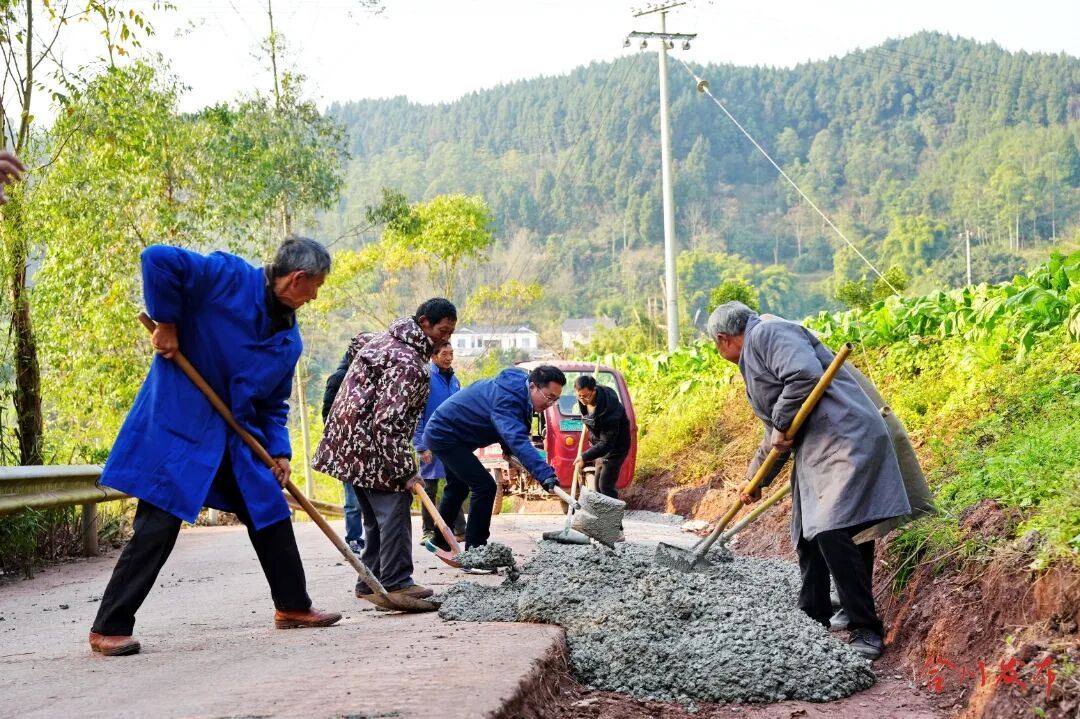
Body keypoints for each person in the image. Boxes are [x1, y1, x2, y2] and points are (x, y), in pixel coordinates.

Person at [89, 237, 342, 657]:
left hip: (236, 437)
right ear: (297, 279)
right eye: (315, 285)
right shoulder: (226, 278)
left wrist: (279, 452)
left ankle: (293, 606)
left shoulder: (287, 341)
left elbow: (273, 404)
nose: (315, 295)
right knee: (159, 525)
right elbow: (157, 259)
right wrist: (167, 324)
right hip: (180, 425)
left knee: (269, 511)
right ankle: (108, 627)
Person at [707, 301, 911, 661]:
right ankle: (814, 614)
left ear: (723, 339)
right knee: (808, 532)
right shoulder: (755, 353)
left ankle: (866, 628)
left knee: (832, 528)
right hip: (819, 447)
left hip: (845, 437)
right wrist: (754, 480)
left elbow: (803, 375)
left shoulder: (767, 332)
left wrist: (782, 424)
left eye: (716, 345)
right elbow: (774, 432)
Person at [313, 298, 457, 601]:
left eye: (450, 333)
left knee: (376, 518)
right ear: (424, 323)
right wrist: (406, 471)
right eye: (442, 331)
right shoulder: (408, 363)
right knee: (394, 507)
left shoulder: (385, 340)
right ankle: (396, 582)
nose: (446, 339)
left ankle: (370, 582)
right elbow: (388, 423)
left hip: (349, 442)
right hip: (368, 444)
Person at [423, 366, 565, 552]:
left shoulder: (517, 393)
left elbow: (510, 428)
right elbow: (516, 437)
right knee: (485, 486)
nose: (550, 404)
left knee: (458, 486)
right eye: (549, 397)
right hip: (444, 435)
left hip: (458, 436)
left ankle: (439, 539)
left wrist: (508, 450)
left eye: (556, 399)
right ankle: (476, 550)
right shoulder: (508, 398)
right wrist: (545, 474)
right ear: (532, 387)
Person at [412, 341, 467, 545]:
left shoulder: (455, 381)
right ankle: (428, 531)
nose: (449, 357)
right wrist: (420, 445)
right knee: (429, 488)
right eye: (445, 353)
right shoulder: (425, 380)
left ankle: (460, 529)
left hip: (452, 442)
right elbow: (417, 415)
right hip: (430, 441)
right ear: (433, 356)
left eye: (451, 353)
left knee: (457, 484)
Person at [322, 349, 366, 555]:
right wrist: (341, 441)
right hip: (346, 447)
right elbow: (327, 414)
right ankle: (354, 538)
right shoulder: (339, 378)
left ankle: (368, 539)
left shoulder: (366, 376)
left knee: (367, 498)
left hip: (366, 447)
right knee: (352, 500)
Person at [572, 375, 632, 500]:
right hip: (601, 445)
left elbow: (607, 443)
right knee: (598, 486)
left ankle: (612, 518)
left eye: (586, 396)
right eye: (579, 396)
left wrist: (584, 457)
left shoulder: (609, 410)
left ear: (594, 390)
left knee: (605, 485)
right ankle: (602, 517)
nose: (583, 400)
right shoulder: (584, 398)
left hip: (616, 447)